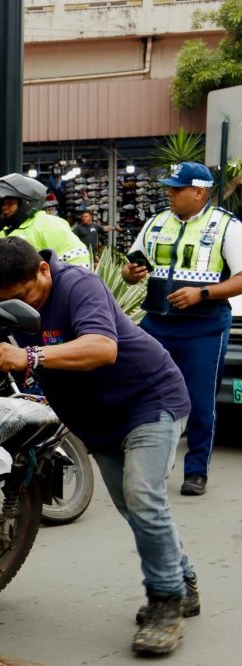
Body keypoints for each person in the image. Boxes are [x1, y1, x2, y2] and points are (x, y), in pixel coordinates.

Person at [0, 237, 195, 656]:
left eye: (27, 296)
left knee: (143, 498)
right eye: (11, 301)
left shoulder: (79, 286)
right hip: (96, 418)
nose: (24, 306)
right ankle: (184, 579)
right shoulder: (1, 285)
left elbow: (103, 348)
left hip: (149, 400)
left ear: (43, 271)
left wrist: (29, 357)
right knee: (133, 506)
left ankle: (166, 602)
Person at [121, 161, 242, 497]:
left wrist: (201, 293)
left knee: (201, 402)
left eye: (176, 188)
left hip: (205, 327)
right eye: (169, 187)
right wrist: (130, 273)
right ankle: (153, 465)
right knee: (148, 395)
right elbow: (128, 271)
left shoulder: (227, 227)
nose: (169, 193)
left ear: (199, 191)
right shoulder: (157, 222)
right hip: (157, 323)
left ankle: (196, 470)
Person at [0, 173, 91, 268]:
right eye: (2, 203)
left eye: (9, 202)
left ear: (26, 203)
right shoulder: (5, 233)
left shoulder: (49, 224)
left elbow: (79, 261)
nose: (4, 207)